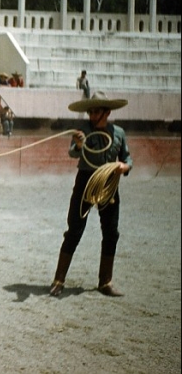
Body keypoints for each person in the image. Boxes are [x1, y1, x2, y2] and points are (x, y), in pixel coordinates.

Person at [49, 91, 133, 298]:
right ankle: (58, 280)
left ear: (107, 112)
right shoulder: (82, 131)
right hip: (86, 182)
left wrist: (123, 167)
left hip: (109, 184)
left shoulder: (118, 133)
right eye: (90, 112)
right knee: (74, 230)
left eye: (96, 112)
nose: (92, 115)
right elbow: (73, 152)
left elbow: (127, 158)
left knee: (111, 232)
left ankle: (105, 282)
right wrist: (78, 145)